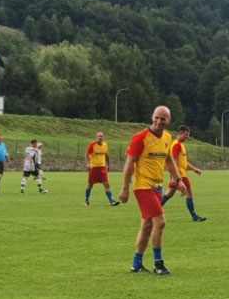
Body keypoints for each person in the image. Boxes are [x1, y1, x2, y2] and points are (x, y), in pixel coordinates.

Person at [118, 105, 185, 275]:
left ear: (169, 121)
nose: (159, 121)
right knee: (160, 222)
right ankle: (158, 264)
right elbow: (129, 164)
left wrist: (178, 180)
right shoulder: (140, 138)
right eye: (157, 117)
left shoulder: (167, 137)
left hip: (157, 187)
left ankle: (136, 264)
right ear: (152, 117)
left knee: (147, 225)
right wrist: (125, 188)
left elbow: (169, 160)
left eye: (163, 119)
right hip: (143, 187)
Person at [161, 125, 206, 221]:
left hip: (178, 174)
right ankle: (194, 217)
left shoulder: (180, 144)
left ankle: (153, 211)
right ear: (180, 133)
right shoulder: (177, 145)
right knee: (189, 193)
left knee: (169, 194)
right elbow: (174, 161)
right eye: (186, 134)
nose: (187, 137)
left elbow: (184, 162)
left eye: (188, 135)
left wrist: (194, 169)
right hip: (180, 175)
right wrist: (175, 177)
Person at [84, 131, 120, 206]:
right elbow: (86, 155)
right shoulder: (92, 145)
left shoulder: (105, 145)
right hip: (94, 168)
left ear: (103, 137)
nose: (100, 137)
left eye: (101, 136)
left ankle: (112, 201)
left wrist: (108, 165)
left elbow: (106, 155)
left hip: (102, 168)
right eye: (98, 136)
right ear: (96, 137)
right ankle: (87, 199)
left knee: (107, 184)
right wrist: (88, 164)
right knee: (90, 185)